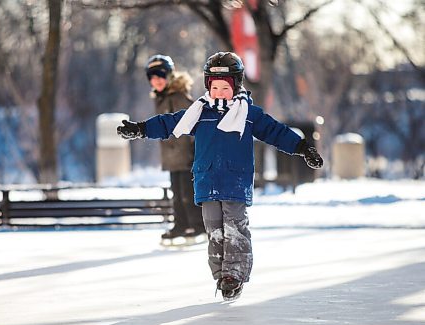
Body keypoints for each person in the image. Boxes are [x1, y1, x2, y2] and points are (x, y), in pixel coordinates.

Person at [117, 51, 323, 301]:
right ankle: (220, 275)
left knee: (234, 228)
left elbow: (275, 131)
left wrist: (302, 148)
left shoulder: (248, 113)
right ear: (207, 86)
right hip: (207, 182)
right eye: (215, 88)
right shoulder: (199, 112)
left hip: (235, 181)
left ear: (236, 86)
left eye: (225, 88)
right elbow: (169, 123)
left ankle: (233, 275)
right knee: (214, 230)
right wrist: (140, 129)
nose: (219, 93)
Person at [144, 54, 205, 243]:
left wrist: (194, 151)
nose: (157, 81)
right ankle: (180, 225)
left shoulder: (178, 97)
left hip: (186, 155)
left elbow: (194, 121)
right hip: (172, 156)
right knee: (177, 194)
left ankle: (197, 226)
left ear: (169, 76)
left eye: (160, 76)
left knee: (188, 193)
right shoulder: (161, 98)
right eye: (152, 77)